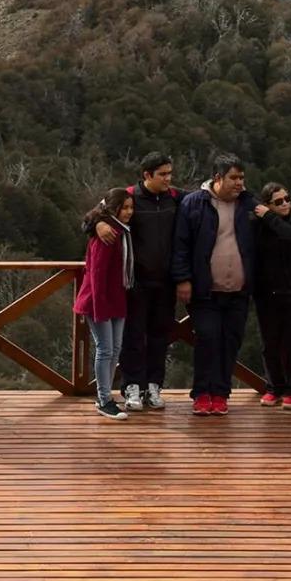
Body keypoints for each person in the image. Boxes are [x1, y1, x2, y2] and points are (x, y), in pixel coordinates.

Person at [96, 152, 183, 411]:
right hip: (135, 282)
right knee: (133, 336)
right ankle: (131, 386)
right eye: (163, 174)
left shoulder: (176, 198)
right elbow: (92, 215)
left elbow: (204, 198)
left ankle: (154, 386)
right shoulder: (129, 196)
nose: (168, 178)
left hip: (165, 282)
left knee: (160, 336)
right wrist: (99, 224)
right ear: (147, 175)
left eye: (170, 173)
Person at [172, 153, 256, 416]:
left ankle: (220, 393)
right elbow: (181, 244)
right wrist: (182, 279)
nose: (240, 183)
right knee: (207, 339)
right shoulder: (194, 203)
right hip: (204, 289)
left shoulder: (248, 204)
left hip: (239, 290)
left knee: (230, 341)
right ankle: (202, 393)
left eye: (242, 177)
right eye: (234, 178)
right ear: (218, 178)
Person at [75, 188, 134, 420]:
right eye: (125, 207)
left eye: (131, 207)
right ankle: (104, 398)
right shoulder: (107, 234)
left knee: (115, 349)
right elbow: (97, 274)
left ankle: (105, 395)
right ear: (113, 209)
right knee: (105, 349)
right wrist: (99, 307)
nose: (129, 212)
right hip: (99, 300)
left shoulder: (120, 229)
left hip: (116, 297)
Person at [253, 182, 291, 408]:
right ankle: (273, 387)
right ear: (267, 204)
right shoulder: (258, 227)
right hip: (267, 294)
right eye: (278, 201)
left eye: (287, 198)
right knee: (270, 344)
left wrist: (269, 216)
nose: (286, 203)